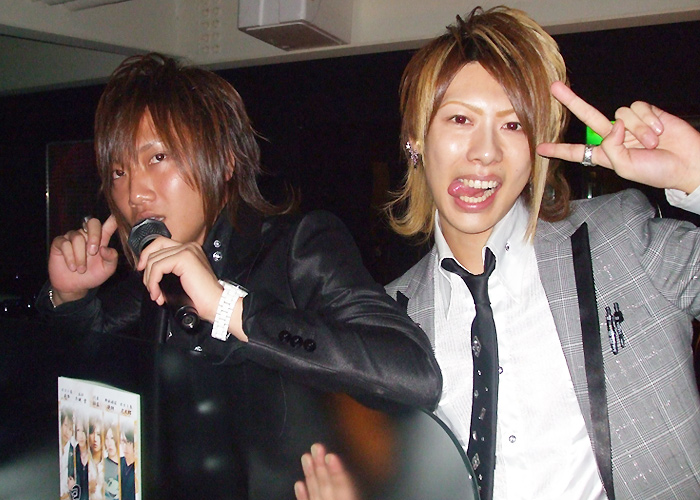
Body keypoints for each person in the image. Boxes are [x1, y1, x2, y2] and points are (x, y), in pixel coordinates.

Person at [37, 53, 441, 497]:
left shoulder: (297, 248)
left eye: (158, 157)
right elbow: (91, 374)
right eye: (119, 171)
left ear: (225, 162)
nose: (135, 192)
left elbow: (413, 374)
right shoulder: (157, 274)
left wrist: (229, 308)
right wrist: (69, 296)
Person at [378, 6, 700, 500]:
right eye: (460, 119)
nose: (485, 152)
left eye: (513, 126)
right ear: (416, 139)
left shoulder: (621, 242)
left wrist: (696, 177)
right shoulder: (384, 320)